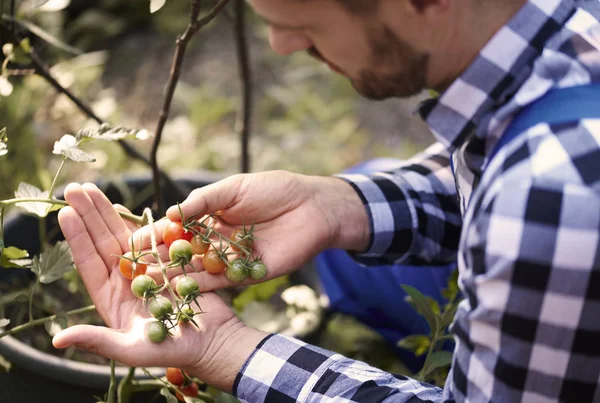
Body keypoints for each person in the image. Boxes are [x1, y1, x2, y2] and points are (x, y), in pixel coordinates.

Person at [54, 0, 600, 401]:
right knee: (358, 192)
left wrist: (226, 350)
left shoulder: (550, 200)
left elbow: (535, 201)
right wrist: (336, 204)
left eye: (303, 25)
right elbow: (493, 164)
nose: (282, 45)